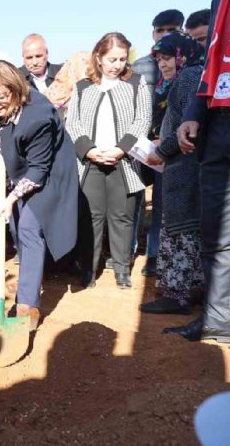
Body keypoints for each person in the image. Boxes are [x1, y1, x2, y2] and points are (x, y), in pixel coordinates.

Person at [0, 61, 78, 329]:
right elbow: (3, 138)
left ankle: (27, 306)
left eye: (0, 97)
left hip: (50, 173)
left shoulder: (38, 118)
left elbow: (39, 170)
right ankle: (29, 279)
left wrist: (9, 199)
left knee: (30, 228)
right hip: (22, 170)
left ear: (15, 90)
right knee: (19, 228)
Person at [167, 0, 230, 343]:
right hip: (219, 127)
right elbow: (213, 59)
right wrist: (193, 112)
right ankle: (219, 320)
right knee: (216, 235)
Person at [66, 32, 152, 289]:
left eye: (122, 59)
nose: (117, 65)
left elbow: (142, 121)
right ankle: (88, 272)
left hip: (123, 163)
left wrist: (119, 150)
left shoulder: (137, 83)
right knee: (90, 217)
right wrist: (89, 151)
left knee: (122, 217)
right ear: (99, 58)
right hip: (90, 162)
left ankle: (122, 272)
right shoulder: (83, 87)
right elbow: (73, 123)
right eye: (112, 59)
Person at [138, 32, 205, 315]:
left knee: (182, 231)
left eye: (167, 58)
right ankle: (188, 290)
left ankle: (177, 294)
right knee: (184, 228)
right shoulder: (184, 78)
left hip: (185, 168)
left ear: (181, 54)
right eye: (160, 59)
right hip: (182, 167)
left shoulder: (189, 76)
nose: (163, 64)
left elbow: (184, 125)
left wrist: (160, 152)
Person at [131, 9, 184, 277]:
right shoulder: (139, 66)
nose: (165, 34)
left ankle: (155, 255)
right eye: (160, 30)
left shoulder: (189, 67)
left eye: (171, 29)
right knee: (134, 199)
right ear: (152, 33)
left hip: (171, 147)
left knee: (163, 203)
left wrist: (166, 140)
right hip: (139, 147)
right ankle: (129, 251)